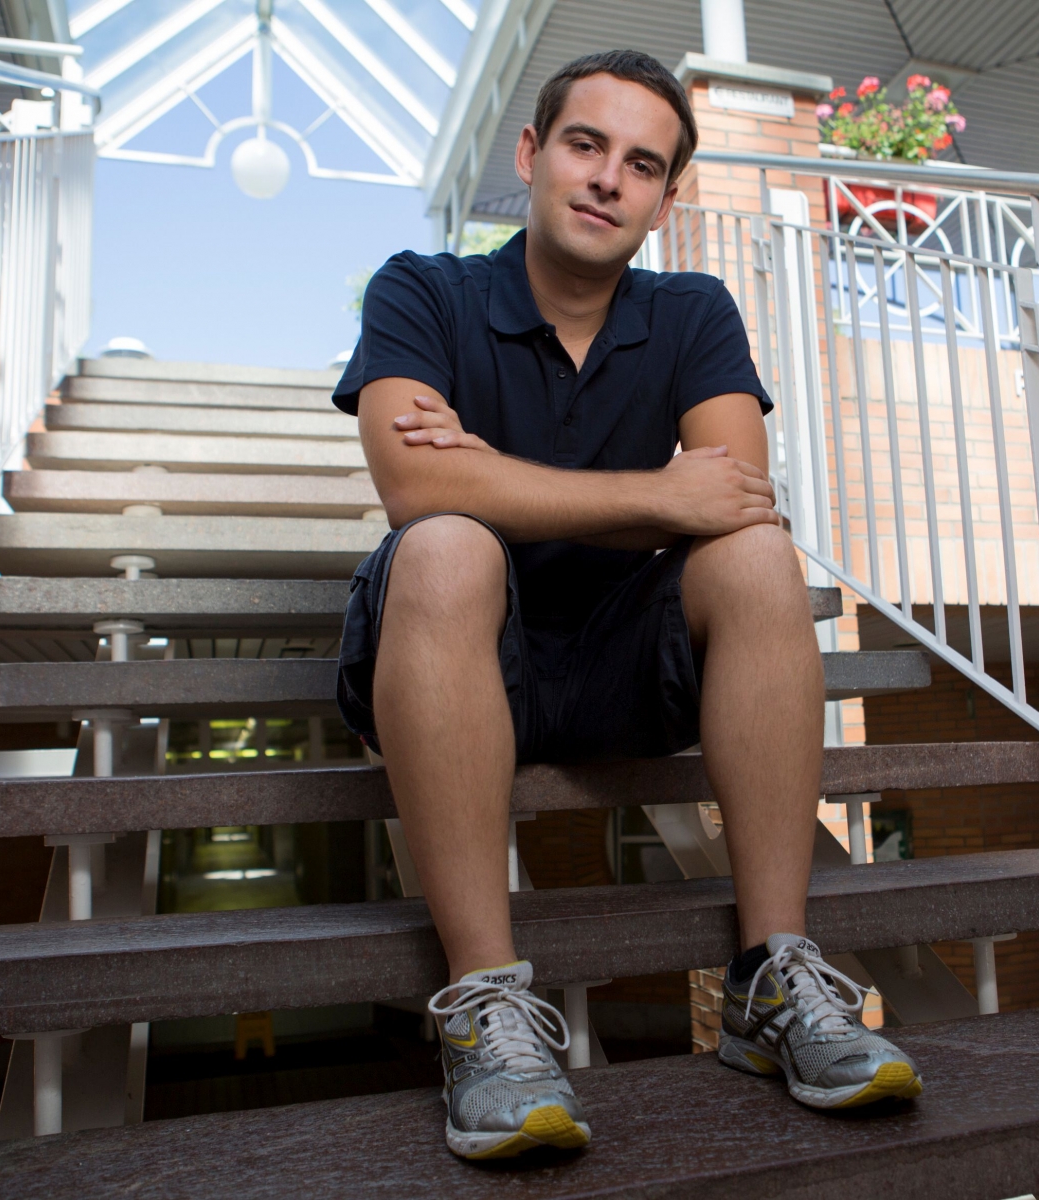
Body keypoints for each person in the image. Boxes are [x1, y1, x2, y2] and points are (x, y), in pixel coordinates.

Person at [332, 49, 922, 1161]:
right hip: (448, 650)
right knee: (451, 544)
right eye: (585, 145)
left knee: (751, 559)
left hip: (623, 667)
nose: (608, 178)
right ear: (532, 154)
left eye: (642, 164)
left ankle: (773, 979)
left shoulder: (694, 312)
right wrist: (657, 494)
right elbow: (418, 484)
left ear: (666, 195)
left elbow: (738, 502)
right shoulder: (422, 289)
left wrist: (498, 471)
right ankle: (485, 1007)